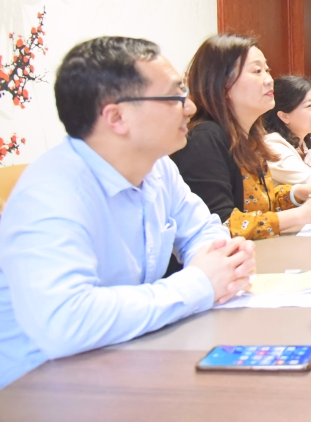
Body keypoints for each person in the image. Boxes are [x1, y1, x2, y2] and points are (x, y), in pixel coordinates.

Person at [0, 37, 255, 389]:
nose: (190, 107)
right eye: (174, 96)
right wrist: (198, 284)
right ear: (116, 117)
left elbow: (202, 230)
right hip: (40, 387)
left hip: (127, 358)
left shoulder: (157, 167)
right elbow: (65, 321)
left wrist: (222, 264)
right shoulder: (51, 192)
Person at [171, 35, 311, 240]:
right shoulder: (204, 139)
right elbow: (220, 224)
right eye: (257, 71)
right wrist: (300, 215)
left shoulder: (249, 136)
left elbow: (261, 202)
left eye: (267, 70)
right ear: (223, 84)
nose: (269, 80)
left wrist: (300, 192)